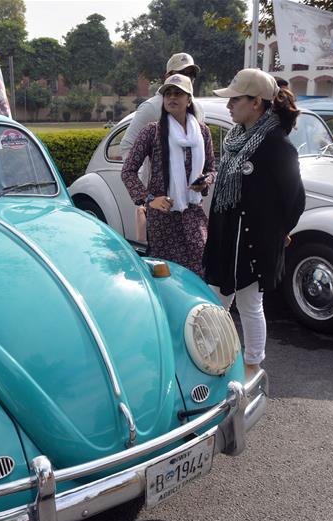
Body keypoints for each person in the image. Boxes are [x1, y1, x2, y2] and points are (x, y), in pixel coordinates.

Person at [202, 69, 305, 380]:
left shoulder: (276, 145)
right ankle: (212, 358)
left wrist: (277, 232)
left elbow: (295, 199)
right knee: (216, 300)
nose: (229, 105)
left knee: (248, 304)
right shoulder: (236, 140)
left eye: (236, 99)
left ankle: (252, 366)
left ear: (256, 102)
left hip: (250, 242)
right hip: (226, 237)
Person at [121, 74, 216, 277]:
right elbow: (128, 171)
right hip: (163, 220)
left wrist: (204, 182)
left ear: (189, 100)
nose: (172, 98)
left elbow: (211, 169)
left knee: (199, 272)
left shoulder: (202, 132)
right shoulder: (152, 132)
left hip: (193, 215)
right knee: (167, 276)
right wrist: (149, 200)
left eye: (178, 93)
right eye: (168, 94)